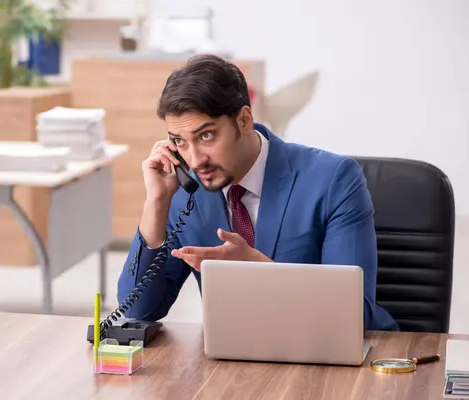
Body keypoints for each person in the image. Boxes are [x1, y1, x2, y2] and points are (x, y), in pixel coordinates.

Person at [116, 54, 399, 331]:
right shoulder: (185, 192)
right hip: (239, 360)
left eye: (206, 136)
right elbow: (139, 311)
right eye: (180, 141)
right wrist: (156, 201)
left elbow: (353, 315)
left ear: (244, 120)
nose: (195, 159)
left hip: (336, 362)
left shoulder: (334, 179)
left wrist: (262, 271)